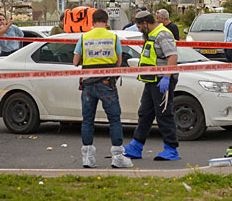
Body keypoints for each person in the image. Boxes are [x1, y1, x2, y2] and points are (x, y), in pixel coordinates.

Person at [72, 9, 132, 169]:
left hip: (88, 85)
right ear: (106, 22)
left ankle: (88, 158)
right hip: (107, 84)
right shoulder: (113, 37)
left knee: (87, 120)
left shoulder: (84, 37)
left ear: (92, 22)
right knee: (114, 120)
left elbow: (75, 61)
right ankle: (118, 158)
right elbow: (119, 62)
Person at [123, 10, 180, 161]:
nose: (139, 29)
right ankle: (136, 146)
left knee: (164, 114)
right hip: (151, 80)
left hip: (161, 80)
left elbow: (172, 56)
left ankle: (171, 149)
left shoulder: (163, 34)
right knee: (145, 114)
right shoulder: (150, 35)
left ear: (146, 23)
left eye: (140, 26)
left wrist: (167, 77)